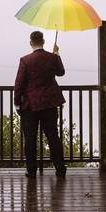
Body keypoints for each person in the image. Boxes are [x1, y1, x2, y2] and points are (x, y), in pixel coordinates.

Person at [13, 31, 67, 178]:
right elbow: (61, 72)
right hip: (49, 104)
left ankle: (31, 170)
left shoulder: (25, 60)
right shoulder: (52, 58)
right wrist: (56, 54)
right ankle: (60, 169)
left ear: (31, 43)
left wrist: (17, 103)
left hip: (30, 106)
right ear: (43, 41)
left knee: (30, 139)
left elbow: (19, 83)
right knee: (53, 137)